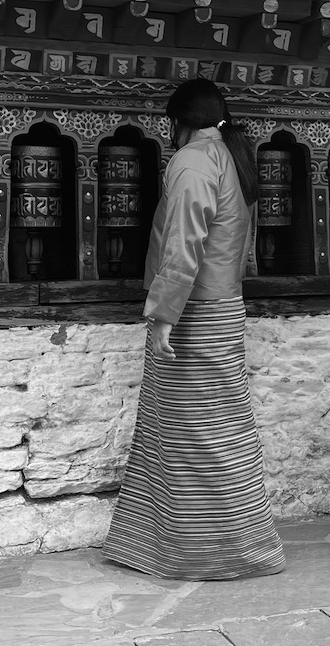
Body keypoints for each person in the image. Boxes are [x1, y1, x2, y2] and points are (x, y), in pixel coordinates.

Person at [102, 79, 286, 579]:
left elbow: (185, 241)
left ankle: (209, 551)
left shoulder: (193, 161)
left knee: (196, 436)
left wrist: (164, 314)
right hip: (221, 305)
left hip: (194, 314)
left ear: (177, 123)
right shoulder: (230, 156)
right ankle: (207, 544)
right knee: (216, 431)